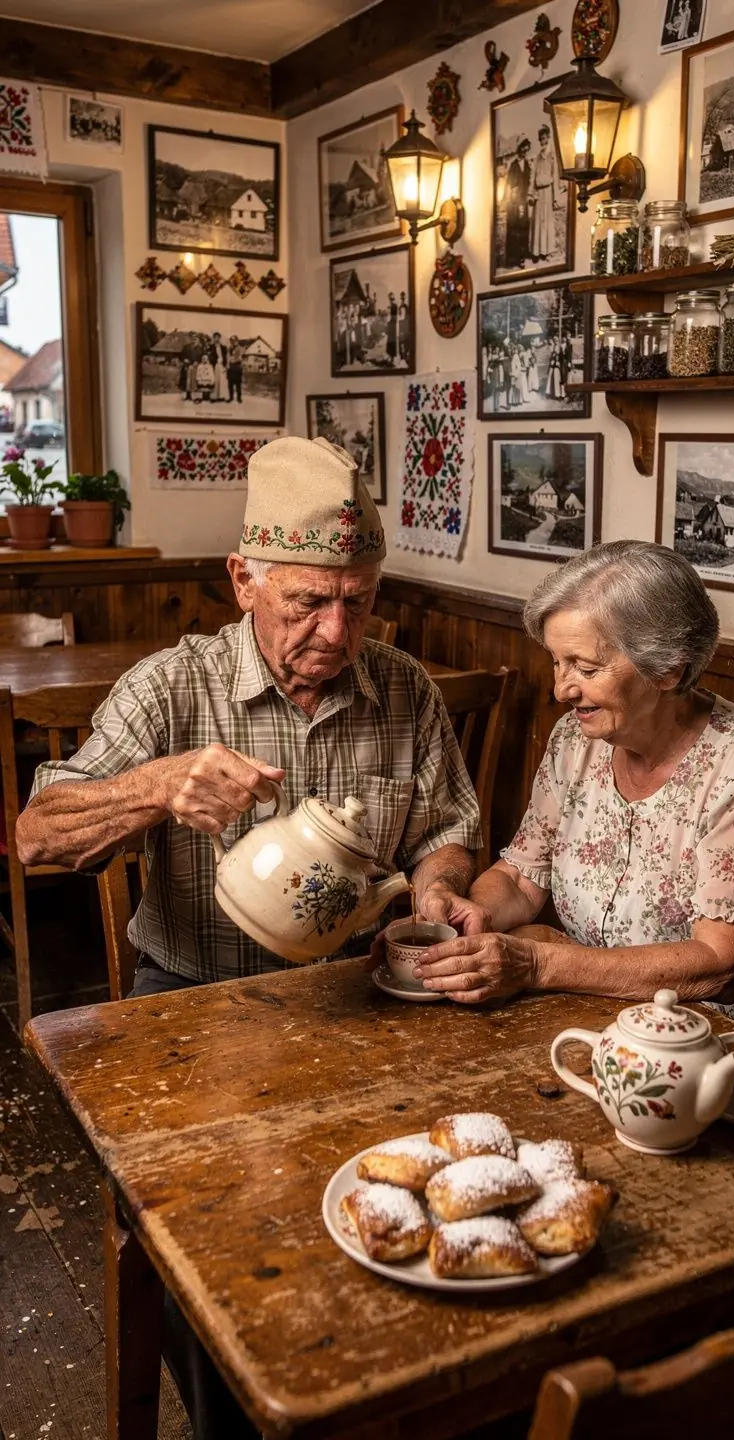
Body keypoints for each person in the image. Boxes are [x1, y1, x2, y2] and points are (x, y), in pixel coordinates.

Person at [16, 435, 482, 1439]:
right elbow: (36, 840)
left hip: (359, 1006)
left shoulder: (402, 689)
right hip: (187, 1007)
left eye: (357, 600)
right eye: (306, 601)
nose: (334, 628)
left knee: (418, 1215)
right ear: (242, 579)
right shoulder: (171, 688)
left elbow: (449, 827)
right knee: (206, 1254)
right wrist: (155, 786)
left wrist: (439, 892)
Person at [412, 541, 734, 1053]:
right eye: (557, 662)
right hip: (607, 1017)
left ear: (667, 668)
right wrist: (469, 916)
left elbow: (721, 965)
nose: (562, 689)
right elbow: (520, 877)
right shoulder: (574, 741)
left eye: (584, 667)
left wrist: (539, 963)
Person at [529, 124, 558, 262]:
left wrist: (555, 196)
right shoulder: (537, 158)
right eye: (541, 139)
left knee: (546, 221)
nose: (543, 142)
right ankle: (536, 251)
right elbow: (533, 176)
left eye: (545, 138)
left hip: (547, 193)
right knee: (537, 222)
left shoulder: (552, 157)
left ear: (549, 138)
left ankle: (547, 251)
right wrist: (531, 193)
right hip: (539, 195)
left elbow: (555, 176)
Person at [504, 138, 532, 270]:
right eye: (523, 148)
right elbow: (510, 184)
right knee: (514, 227)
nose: (525, 151)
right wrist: (512, 200)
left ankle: (522, 255)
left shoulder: (527, 165)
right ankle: (512, 257)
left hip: (523, 200)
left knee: (523, 227)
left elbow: (528, 182)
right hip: (515, 202)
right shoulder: (514, 165)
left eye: (527, 149)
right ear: (519, 149)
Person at [227, 335, 243, 403]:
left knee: (238, 384)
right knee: (230, 384)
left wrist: (233, 360)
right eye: (231, 340)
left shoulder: (240, 348)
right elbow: (227, 357)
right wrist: (227, 364)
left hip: (237, 367)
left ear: (237, 341)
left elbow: (240, 358)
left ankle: (239, 398)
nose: (232, 342)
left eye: (234, 340)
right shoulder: (229, 348)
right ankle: (231, 397)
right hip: (230, 368)